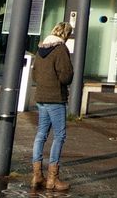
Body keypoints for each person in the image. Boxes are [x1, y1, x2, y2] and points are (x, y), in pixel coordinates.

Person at [31, 21, 74, 192]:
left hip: (41, 97)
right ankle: (52, 179)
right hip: (55, 98)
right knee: (59, 135)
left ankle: (36, 175)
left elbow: (34, 75)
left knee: (41, 134)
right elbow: (66, 76)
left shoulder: (41, 48)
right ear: (66, 34)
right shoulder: (61, 49)